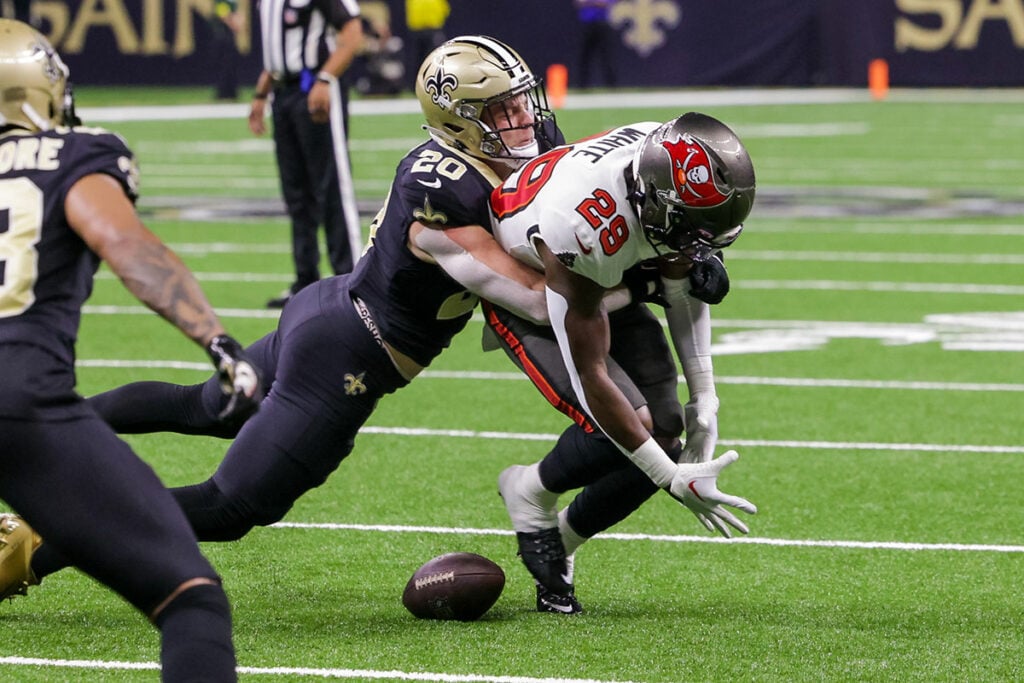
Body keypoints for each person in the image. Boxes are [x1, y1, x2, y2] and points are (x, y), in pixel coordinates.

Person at [20, 34, 565, 582]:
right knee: (230, 507)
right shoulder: (440, 193)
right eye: (502, 109)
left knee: (205, 408)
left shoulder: (519, 141)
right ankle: (44, 545)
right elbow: (539, 300)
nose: (524, 118)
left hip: (328, 309)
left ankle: (37, 431)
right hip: (349, 353)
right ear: (459, 122)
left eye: (521, 101)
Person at [0, 19, 262, 681]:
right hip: (20, 398)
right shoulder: (74, 154)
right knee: (190, 600)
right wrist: (217, 339)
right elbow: (131, 249)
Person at [487, 112, 758, 611]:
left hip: (610, 268)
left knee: (667, 429)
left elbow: (682, 283)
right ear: (656, 207)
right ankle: (527, 488)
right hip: (535, 286)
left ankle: (561, 542)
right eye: (693, 232)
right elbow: (590, 378)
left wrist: (705, 398)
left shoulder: (662, 169)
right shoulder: (583, 227)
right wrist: (666, 476)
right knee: (627, 429)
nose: (698, 248)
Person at [250, 0, 364, 308]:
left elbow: (353, 33)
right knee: (296, 193)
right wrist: (262, 92)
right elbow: (278, 50)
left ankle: (352, 281)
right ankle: (305, 281)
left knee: (332, 187)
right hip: (283, 93)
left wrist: (325, 79)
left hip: (315, 87)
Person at [404, 0, 449, 92]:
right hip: (418, 30)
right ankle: (415, 87)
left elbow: (444, 9)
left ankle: (435, 86)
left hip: (432, 29)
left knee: (434, 60)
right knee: (417, 60)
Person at [574, 0, 618, 88]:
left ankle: (611, 85)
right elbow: (579, 2)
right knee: (585, 57)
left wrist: (590, 2)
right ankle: (582, 85)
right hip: (587, 24)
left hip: (602, 23)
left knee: (607, 56)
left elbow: (605, 3)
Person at [210, 0, 242, 101]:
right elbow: (223, 16)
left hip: (230, 38)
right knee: (223, 67)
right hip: (222, 37)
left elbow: (237, 15)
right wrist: (234, 24)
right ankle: (223, 93)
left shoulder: (232, 2)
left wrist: (237, 23)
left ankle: (232, 93)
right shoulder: (220, 1)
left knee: (232, 66)